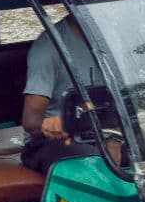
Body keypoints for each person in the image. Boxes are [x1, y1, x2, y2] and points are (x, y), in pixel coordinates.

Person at [20, 13, 105, 173]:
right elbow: (31, 122)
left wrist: (114, 138)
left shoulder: (110, 38)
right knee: (94, 164)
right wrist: (61, 125)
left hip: (100, 133)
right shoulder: (48, 46)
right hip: (49, 142)